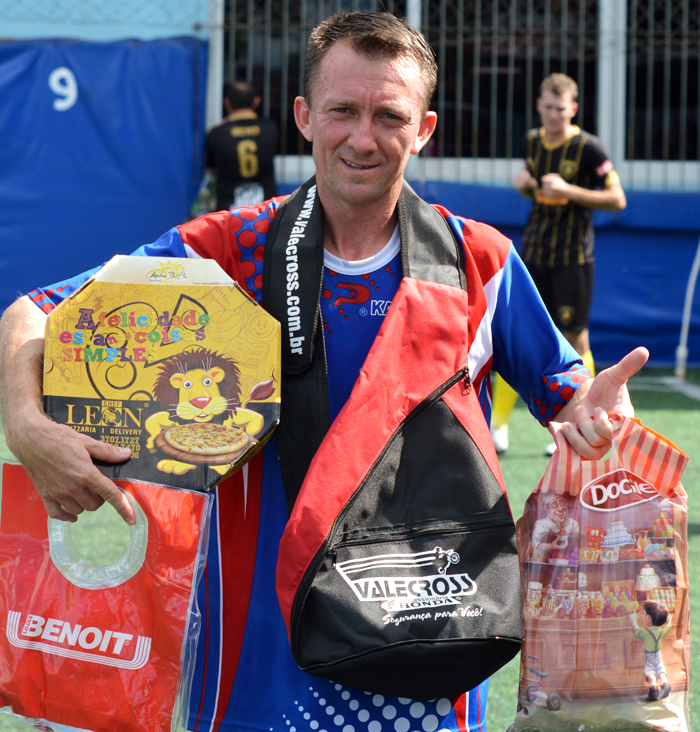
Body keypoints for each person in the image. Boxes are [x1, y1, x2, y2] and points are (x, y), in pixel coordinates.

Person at [0, 13, 648, 732]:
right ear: (305, 117)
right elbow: (35, 312)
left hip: (425, 647)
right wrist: (27, 425)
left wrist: (595, 414)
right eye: (343, 110)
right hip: (255, 661)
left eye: (389, 115)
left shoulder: (480, 262)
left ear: (425, 127)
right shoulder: (225, 252)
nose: (363, 137)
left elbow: (569, 400)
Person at [491, 72, 627, 457]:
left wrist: (570, 191)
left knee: (574, 340)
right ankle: (499, 426)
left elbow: (618, 199)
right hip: (533, 253)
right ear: (539, 107)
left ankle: (580, 424)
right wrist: (525, 186)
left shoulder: (589, 148)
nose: (553, 115)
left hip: (573, 259)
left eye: (561, 108)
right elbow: (537, 190)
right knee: (513, 337)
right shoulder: (533, 141)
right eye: (548, 107)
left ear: (574, 109)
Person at [206, 80, 278, 210]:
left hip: (228, 212)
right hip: (266, 211)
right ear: (256, 101)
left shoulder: (217, 133)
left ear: (227, 103)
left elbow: (211, 169)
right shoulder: (270, 128)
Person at [629, 602, 673, 701]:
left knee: (650, 672)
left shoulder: (646, 633)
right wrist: (669, 620)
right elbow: (668, 626)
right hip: (658, 654)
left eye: (644, 614)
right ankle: (665, 683)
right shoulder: (663, 631)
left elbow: (635, 630)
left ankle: (653, 688)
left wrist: (633, 620)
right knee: (660, 668)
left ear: (648, 618)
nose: (643, 616)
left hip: (649, 656)